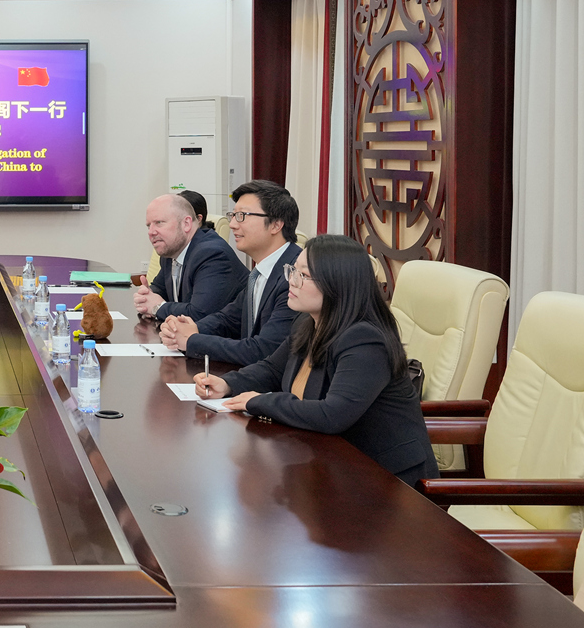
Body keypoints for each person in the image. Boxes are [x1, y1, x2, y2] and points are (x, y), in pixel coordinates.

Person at [194, 235, 438, 488]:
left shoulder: (365, 340)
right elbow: (272, 369)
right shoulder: (309, 321)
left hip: (387, 480)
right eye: (292, 270)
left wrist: (259, 401)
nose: (291, 281)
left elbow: (333, 415)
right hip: (333, 464)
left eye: (304, 275)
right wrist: (228, 384)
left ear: (337, 284)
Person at [159, 180, 302, 366]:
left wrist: (192, 340)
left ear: (276, 224)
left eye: (242, 216)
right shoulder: (260, 272)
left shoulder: (295, 276)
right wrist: (189, 329)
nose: (233, 224)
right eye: (233, 215)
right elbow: (228, 319)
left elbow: (263, 350)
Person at [133, 193, 245, 323]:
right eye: (149, 226)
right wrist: (146, 297)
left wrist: (157, 307)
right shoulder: (170, 251)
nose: (151, 232)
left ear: (186, 223)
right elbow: (159, 289)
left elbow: (199, 314)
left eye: (159, 223)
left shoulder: (212, 254)